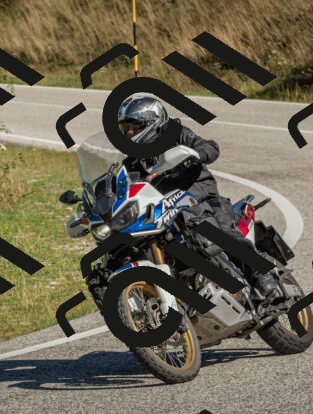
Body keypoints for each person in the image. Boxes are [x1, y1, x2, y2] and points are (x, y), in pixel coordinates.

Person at [117, 95, 279, 296]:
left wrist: (196, 154)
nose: (129, 132)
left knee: (221, 230)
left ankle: (260, 273)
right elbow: (120, 183)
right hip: (167, 209)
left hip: (201, 195)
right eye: (125, 128)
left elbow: (210, 147)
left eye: (134, 126)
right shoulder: (132, 161)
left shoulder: (176, 135)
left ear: (151, 121)